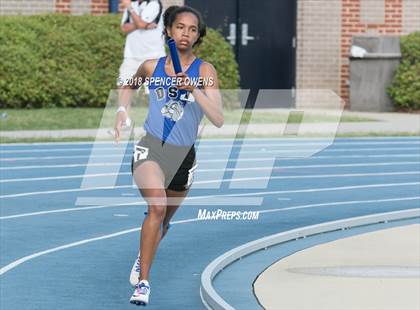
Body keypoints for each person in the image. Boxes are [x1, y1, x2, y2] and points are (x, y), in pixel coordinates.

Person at [114, 5, 224, 306]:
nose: (185, 33)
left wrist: (195, 90)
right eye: (179, 27)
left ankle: (143, 255)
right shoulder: (152, 66)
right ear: (168, 31)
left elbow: (218, 117)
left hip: (183, 156)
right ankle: (144, 284)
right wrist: (123, 110)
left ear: (197, 36)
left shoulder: (205, 71)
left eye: (191, 29)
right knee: (157, 209)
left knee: (162, 222)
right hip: (151, 147)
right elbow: (129, 86)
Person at [118, 0, 165, 88]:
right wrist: (144, 25)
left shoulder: (155, 3)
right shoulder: (132, 5)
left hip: (153, 57)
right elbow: (124, 28)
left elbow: (141, 24)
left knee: (153, 92)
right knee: (124, 87)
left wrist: (131, 10)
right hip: (131, 56)